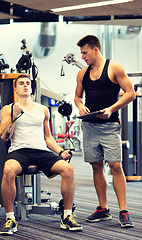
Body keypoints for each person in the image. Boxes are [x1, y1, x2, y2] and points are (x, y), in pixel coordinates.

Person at [0, 74, 83, 235]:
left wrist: (60, 151)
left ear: (31, 88)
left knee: (68, 169)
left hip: (41, 151)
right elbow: (4, 136)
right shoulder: (8, 109)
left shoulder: (42, 109)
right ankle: (10, 218)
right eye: (21, 83)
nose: (25, 85)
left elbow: (48, 137)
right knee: (8, 170)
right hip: (19, 151)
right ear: (15, 89)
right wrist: (14, 116)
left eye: (28, 83)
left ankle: (67, 216)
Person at [74, 35, 136, 228]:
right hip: (90, 126)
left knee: (116, 166)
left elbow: (131, 93)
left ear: (95, 50)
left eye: (85, 53)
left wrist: (111, 109)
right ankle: (103, 208)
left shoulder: (114, 68)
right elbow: (77, 97)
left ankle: (123, 211)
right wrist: (80, 106)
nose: (82, 56)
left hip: (110, 126)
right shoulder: (82, 73)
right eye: (81, 53)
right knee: (96, 166)